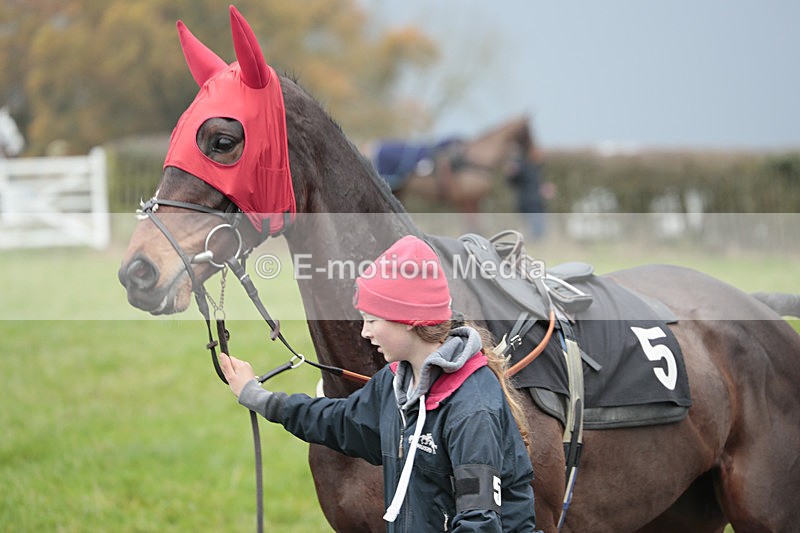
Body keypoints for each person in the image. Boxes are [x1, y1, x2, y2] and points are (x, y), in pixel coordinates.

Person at [219, 235, 538, 531]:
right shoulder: (397, 384)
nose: (365, 332)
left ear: (409, 321)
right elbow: (338, 421)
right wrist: (259, 397)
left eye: (372, 320)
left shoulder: (471, 409)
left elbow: (478, 523)